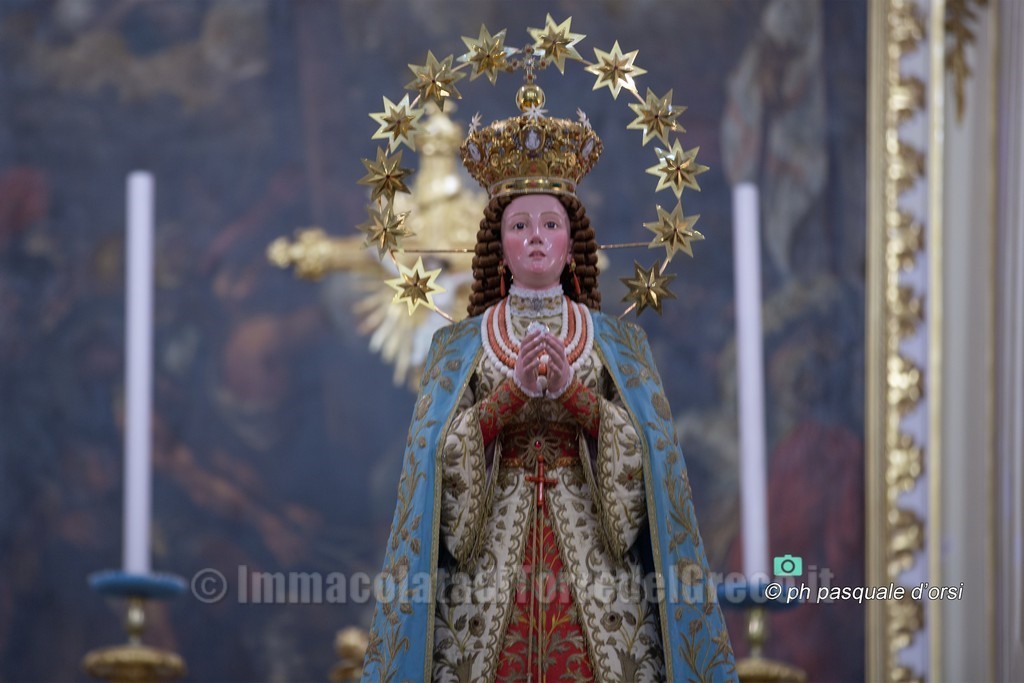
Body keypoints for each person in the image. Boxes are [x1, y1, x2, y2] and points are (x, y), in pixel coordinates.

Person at [363, 110, 736, 682]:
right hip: (485, 586)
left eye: (549, 224)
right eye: (519, 225)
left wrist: (575, 397)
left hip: (598, 576)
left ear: (571, 241)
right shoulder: (457, 348)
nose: (535, 236)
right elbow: (433, 462)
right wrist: (507, 399)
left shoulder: (619, 345)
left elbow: (651, 459)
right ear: (498, 244)